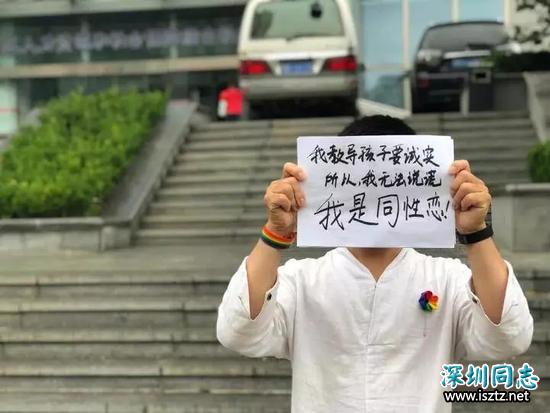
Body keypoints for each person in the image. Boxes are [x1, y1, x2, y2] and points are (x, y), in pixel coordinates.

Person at [216, 115, 533, 413]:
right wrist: (275, 233)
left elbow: (509, 337)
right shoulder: (301, 281)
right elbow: (238, 332)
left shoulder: (447, 278)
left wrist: (476, 232)